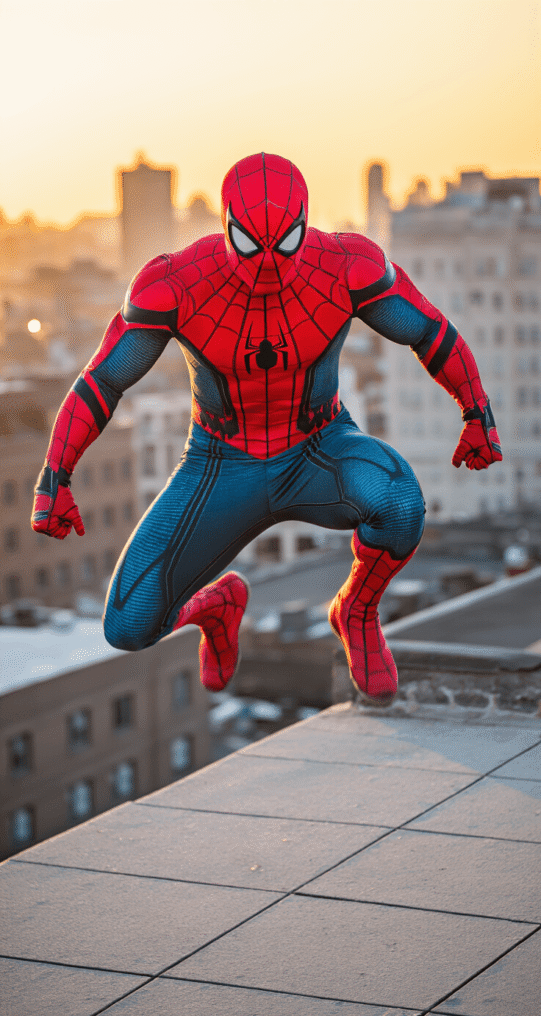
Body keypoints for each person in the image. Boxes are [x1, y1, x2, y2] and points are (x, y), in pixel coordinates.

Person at [31, 152, 502, 706]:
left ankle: (357, 610)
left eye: (286, 243)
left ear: (306, 222)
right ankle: (216, 605)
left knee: (400, 502)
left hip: (319, 448)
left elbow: (428, 331)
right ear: (226, 227)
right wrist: (53, 477)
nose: (269, 265)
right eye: (252, 245)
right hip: (220, 464)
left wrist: (478, 413)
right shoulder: (174, 283)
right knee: (128, 627)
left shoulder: (348, 265)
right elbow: (102, 382)